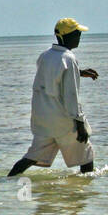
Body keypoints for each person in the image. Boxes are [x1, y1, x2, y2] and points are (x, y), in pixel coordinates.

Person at [8, 17, 100, 176]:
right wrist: (80, 124)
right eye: (77, 33)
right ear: (67, 36)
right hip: (64, 120)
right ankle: (83, 193)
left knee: (31, 157)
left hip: (44, 121)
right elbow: (71, 95)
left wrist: (78, 72)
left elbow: (50, 78)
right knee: (86, 157)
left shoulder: (45, 56)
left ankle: (6, 181)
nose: (79, 36)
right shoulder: (69, 58)